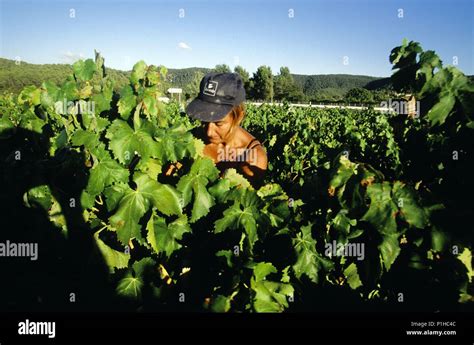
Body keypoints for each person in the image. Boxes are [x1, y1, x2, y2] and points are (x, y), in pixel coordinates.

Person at [185, 72, 268, 188]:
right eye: (204, 121)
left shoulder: (252, 156)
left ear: (239, 117)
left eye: (219, 123)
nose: (209, 132)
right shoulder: (189, 139)